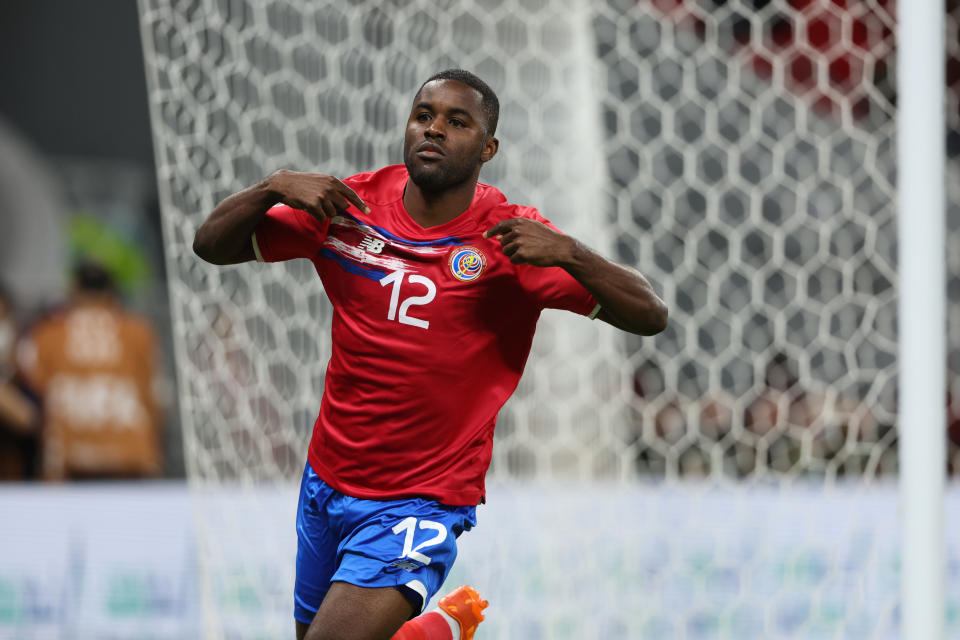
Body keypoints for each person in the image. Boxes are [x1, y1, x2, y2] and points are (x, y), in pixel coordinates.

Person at [193, 69, 668, 640]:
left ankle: (435, 630)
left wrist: (569, 252)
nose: (434, 130)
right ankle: (444, 631)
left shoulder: (511, 240)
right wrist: (271, 187)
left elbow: (649, 313)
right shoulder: (349, 206)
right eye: (424, 116)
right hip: (327, 479)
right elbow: (210, 245)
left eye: (457, 122)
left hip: (421, 499)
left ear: (488, 148)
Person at [15, 260, 163, 481]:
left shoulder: (48, 332)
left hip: (69, 455)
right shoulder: (138, 331)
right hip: (130, 453)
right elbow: (154, 395)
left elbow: (31, 383)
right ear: (111, 292)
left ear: (74, 290)